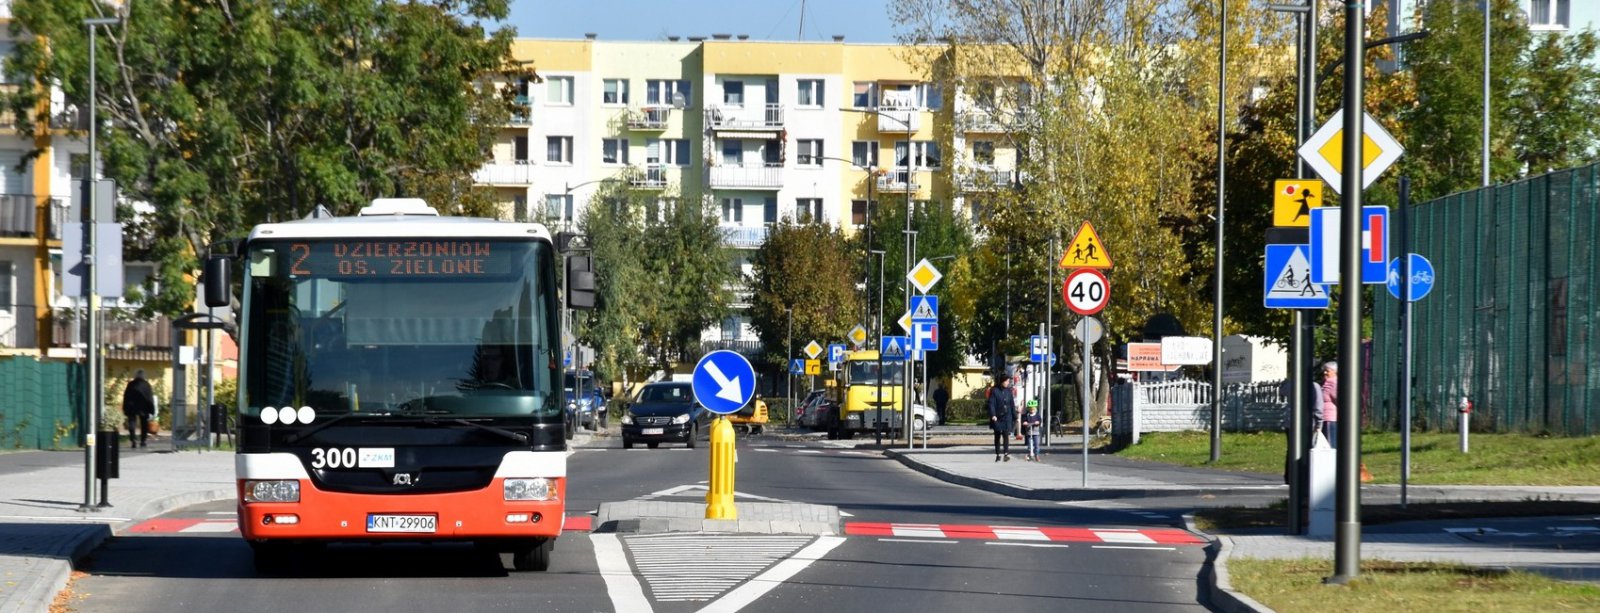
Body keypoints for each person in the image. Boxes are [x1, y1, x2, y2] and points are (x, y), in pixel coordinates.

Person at [121, 369, 156, 448]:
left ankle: (133, 439)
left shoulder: (131, 384)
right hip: (144, 407)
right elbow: (149, 397)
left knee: (132, 422)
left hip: (132, 406)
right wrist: (152, 409)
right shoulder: (146, 385)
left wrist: (125, 407)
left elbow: (126, 396)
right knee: (144, 424)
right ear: (144, 376)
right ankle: (143, 441)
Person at [988, 374, 1016, 462]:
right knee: (997, 435)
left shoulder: (1009, 391)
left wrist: (1014, 416)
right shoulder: (994, 391)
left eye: (1009, 381)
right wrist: (993, 415)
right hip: (997, 416)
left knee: (1006, 435)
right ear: (1002, 381)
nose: (1008, 383)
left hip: (1007, 416)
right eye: (1007, 381)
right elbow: (991, 404)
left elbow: (1012, 404)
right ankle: (998, 454)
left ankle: (1006, 454)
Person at [1320, 362, 1338, 449]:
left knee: (1330, 445)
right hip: (1324, 418)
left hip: (1330, 419)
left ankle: (1333, 462)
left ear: (1334, 371)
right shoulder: (1326, 383)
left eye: (1327, 371)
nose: (1325, 373)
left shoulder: (1334, 383)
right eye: (1324, 370)